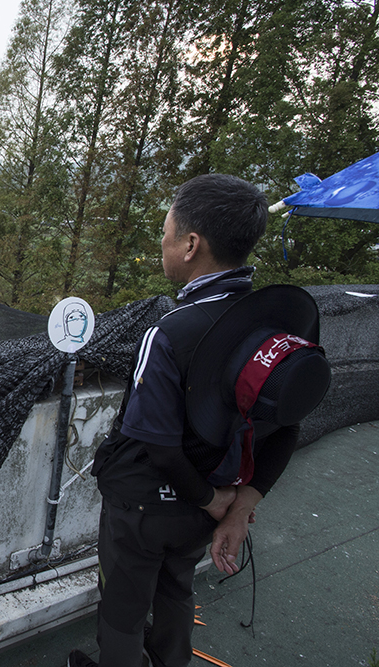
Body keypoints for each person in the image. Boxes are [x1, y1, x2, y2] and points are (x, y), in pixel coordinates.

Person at [68, 174, 329, 667]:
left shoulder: (170, 333)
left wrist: (214, 503)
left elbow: (158, 446)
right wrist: (234, 505)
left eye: (167, 232)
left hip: (146, 508)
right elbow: (287, 425)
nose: (162, 242)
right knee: (175, 591)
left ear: (191, 245)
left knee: (123, 609)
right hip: (207, 504)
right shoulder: (280, 329)